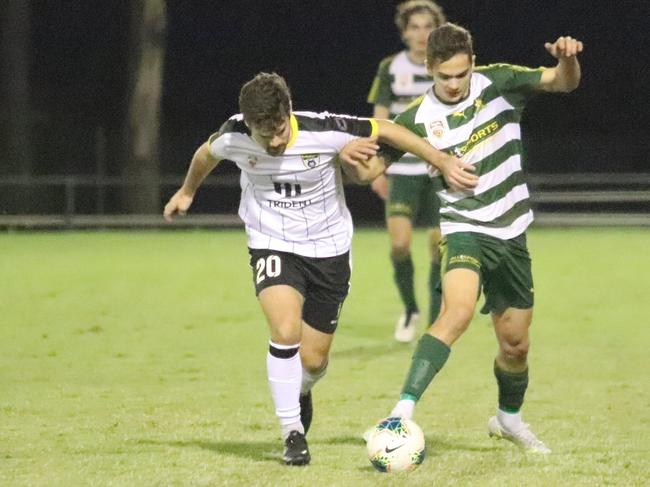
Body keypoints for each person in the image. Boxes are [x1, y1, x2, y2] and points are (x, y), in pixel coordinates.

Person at [163, 72, 477, 466]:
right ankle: (292, 434)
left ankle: (300, 389)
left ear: (288, 113)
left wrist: (442, 160)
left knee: (313, 361)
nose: (275, 142)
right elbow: (205, 154)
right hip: (271, 243)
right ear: (249, 125)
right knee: (285, 331)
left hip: (329, 252)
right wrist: (187, 191)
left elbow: (390, 129)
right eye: (265, 136)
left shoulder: (324, 128)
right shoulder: (233, 135)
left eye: (279, 130)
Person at [373, 23, 583, 453]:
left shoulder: (499, 82)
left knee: (516, 345)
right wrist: (350, 158)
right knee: (458, 311)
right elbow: (368, 168)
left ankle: (508, 419)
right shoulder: (415, 118)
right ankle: (401, 413)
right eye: (443, 76)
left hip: (511, 231)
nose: (453, 84)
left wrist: (568, 59)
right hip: (463, 227)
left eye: (460, 74)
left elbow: (563, 82)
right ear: (429, 68)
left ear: (472, 63)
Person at [367, 0, 447, 343]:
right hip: (401, 170)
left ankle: (434, 322)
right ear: (404, 33)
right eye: (414, 27)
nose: (420, 34)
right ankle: (411, 309)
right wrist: (377, 169)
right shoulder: (390, 67)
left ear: (437, 31)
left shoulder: (448, 67)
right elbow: (379, 121)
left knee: (437, 247)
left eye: (427, 27)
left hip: (437, 169)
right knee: (400, 244)